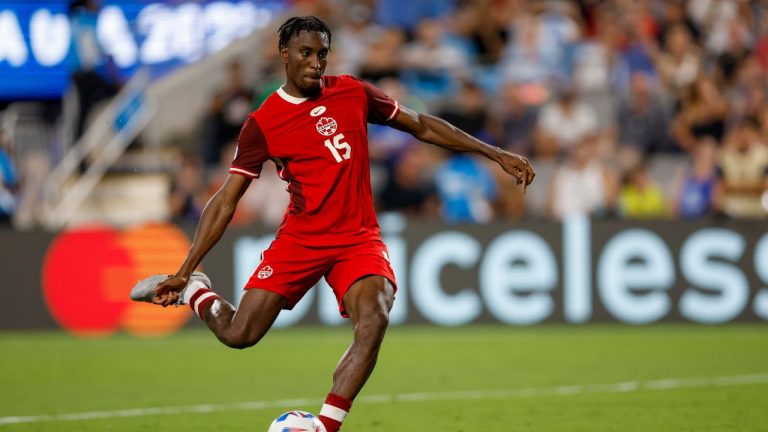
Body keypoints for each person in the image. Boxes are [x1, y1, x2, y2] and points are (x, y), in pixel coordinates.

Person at [130, 16, 534, 432]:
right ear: (283, 55)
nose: (315, 63)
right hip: (302, 239)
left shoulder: (353, 92)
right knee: (239, 334)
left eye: (322, 53)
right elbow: (226, 200)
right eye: (306, 53)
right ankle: (198, 292)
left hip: (358, 239)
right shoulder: (263, 123)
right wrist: (183, 272)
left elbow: (422, 125)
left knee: (374, 316)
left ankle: (325, 426)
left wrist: (494, 152)